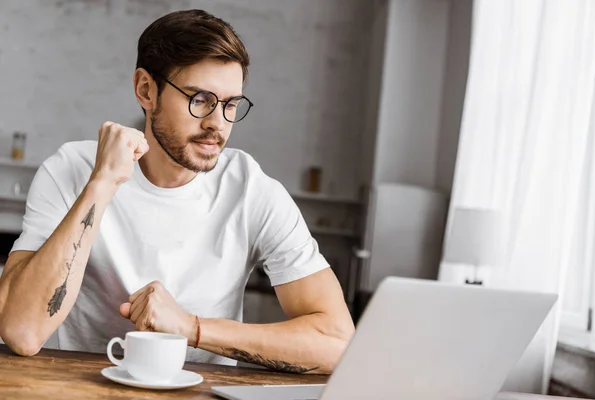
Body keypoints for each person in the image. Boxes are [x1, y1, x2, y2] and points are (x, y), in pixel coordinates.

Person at [0, 9, 354, 374]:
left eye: (231, 104)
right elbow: (22, 332)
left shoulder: (253, 191)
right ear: (146, 90)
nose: (217, 123)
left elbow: (337, 344)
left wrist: (192, 328)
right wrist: (101, 183)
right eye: (200, 99)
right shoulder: (70, 169)